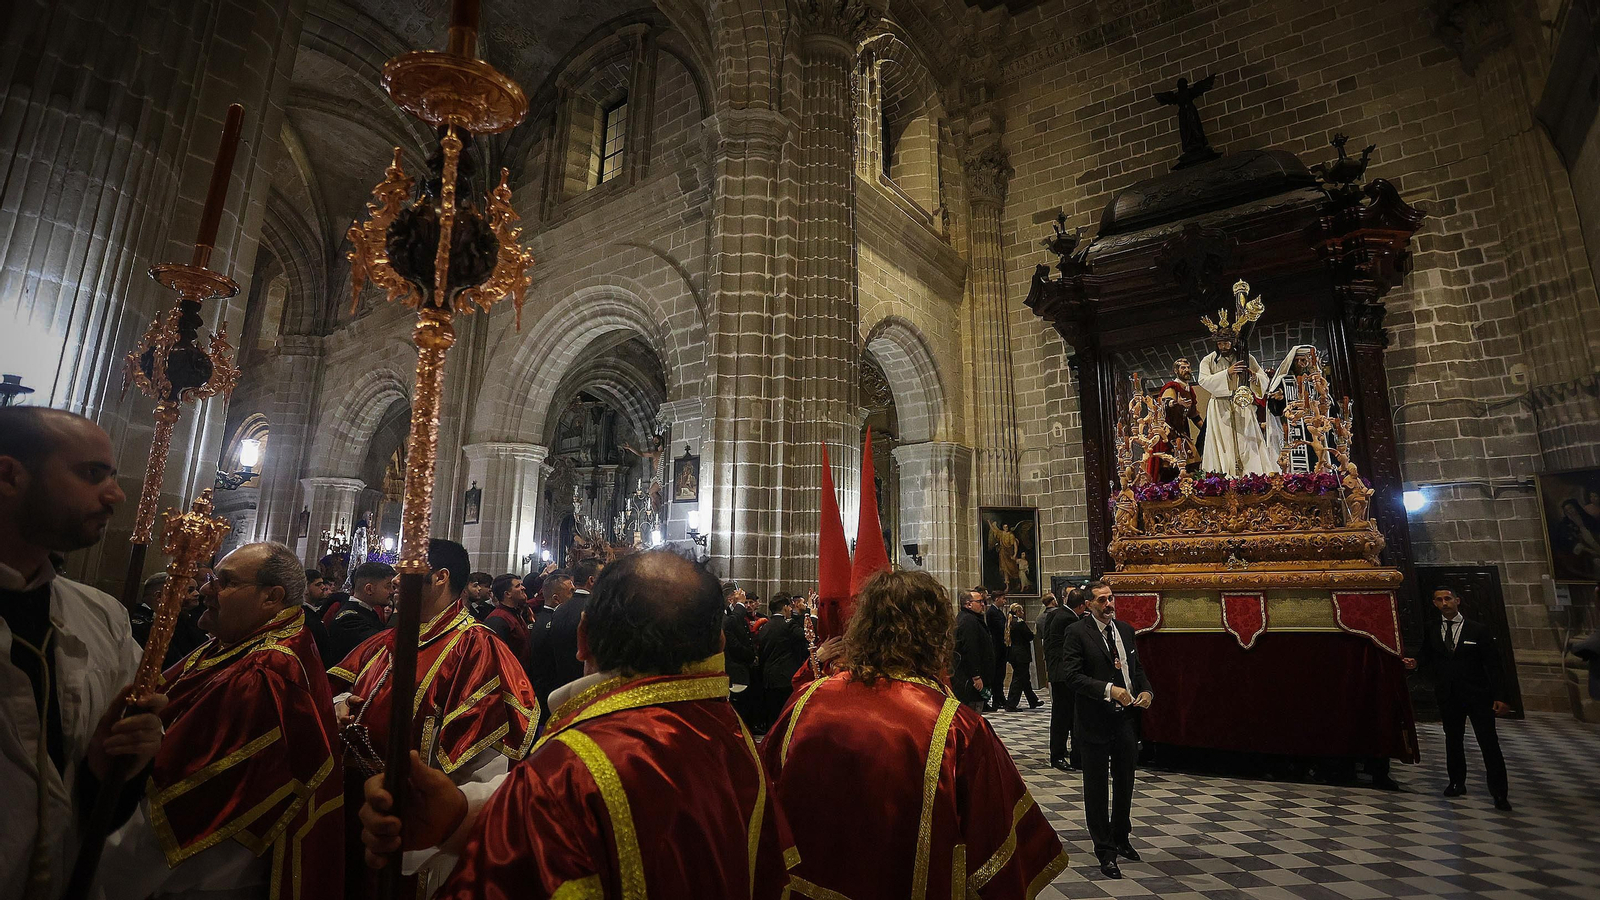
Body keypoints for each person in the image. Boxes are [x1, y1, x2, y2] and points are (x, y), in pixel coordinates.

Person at [359, 551, 797, 898]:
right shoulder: (732, 734)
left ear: (582, 637)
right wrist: (460, 816)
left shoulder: (567, 771)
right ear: (718, 643)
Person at [763, 570, 1067, 898]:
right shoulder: (956, 727)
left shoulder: (808, 701)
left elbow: (764, 804)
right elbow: (999, 852)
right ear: (936, 633)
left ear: (863, 626)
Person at [98, 543, 343, 900]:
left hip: (200, 876)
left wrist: (92, 860)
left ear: (271, 597)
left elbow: (179, 810)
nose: (205, 590)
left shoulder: (265, 674)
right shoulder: (236, 642)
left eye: (224, 581)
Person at [0, 407, 167, 899]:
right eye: (92, 475)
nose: (115, 495)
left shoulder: (104, 619)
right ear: (9, 475)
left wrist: (111, 767)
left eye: (114, 476)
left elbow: (96, 808)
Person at [329, 539, 538, 899]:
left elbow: (480, 765)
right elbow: (342, 687)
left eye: (405, 571)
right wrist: (342, 704)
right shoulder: (385, 641)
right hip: (356, 813)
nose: (394, 580)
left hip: (417, 825)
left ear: (440, 577)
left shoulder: (475, 645)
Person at [1061, 581, 1154, 879]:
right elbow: (1072, 676)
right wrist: (1108, 690)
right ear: (1088, 604)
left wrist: (1147, 691)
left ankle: (1121, 836)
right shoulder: (1077, 632)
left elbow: (1135, 669)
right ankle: (1104, 849)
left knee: (1126, 779)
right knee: (1097, 787)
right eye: (1102, 600)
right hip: (1094, 720)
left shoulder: (1124, 630)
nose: (1109, 604)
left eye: (1111, 598)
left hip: (1125, 720)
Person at [1403, 587, 1513, 810]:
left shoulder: (1477, 630)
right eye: (1439, 600)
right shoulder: (1433, 629)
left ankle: (1499, 791)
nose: (1445, 603)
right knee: (1453, 740)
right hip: (1449, 694)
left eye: (1448, 599)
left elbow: (1494, 665)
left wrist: (1501, 696)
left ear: (1457, 601)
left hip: (1478, 694)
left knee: (1488, 742)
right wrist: (1415, 663)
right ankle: (1456, 782)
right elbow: (1427, 655)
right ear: (1434, 603)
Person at [1196, 325, 1277, 477]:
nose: (1223, 346)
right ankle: (1224, 475)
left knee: (1246, 440)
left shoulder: (1245, 357)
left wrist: (1254, 378)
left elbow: (1262, 378)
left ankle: (1251, 474)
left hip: (1242, 403)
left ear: (1232, 342)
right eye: (1220, 343)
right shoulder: (1209, 360)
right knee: (1223, 441)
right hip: (1220, 405)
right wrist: (1227, 373)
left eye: (1226, 343)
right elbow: (1203, 380)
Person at [522, 568, 575, 732]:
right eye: (571, 591)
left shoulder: (547, 618)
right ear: (556, 598)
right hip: (548, 694)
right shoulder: (549, 623)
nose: (574, 595)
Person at [544, 556, 603, 693]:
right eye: (604, 576)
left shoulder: (559, 609)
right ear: (592, 580)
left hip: (563, 687)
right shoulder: (597, 609)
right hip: (589, 688)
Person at [129, 571, 209, 670]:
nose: (197, 594)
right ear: (160, 597)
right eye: (189, 590)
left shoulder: (182, 620)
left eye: (196, 589)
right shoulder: (140, 626)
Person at [1041, 587, 1084, 770]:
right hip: (1065, 673)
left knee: (1062, 715)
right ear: (1082, 606)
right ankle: (1059, 755)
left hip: (1057, 671)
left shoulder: (1055, 613)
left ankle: (1062, 753)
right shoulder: (1069, 619)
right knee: (1064, 717)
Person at [325, 560, 396, 663]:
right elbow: (382, 646)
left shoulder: (366, 611)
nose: (392, 591)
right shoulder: (349, 620)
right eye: (388, 586)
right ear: (369, 589)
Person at [1146, 357, 1204, 482]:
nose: (1187, 370)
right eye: (1183, 368)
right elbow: (1165, 402)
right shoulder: (1172, 387)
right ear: (1176, 371)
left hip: (1182, 431)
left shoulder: (1189, 390)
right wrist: (1176, 402)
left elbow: (1194, 415)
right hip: (1169, 432)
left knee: (1193, 460)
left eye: (1188, 367)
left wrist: (1207, 429)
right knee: (1170, 464)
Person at [758, 594, 810, 727]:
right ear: (785, 607)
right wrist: (812, 616)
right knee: (786, 718)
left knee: (773, 718)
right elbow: (807, 636)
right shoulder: (788, 625)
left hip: (769, 678)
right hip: (786, 677)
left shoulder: (765, 627)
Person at [722, 582, 762, 729]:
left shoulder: (732, 613)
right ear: (730, 599)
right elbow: (730, 629)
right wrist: (751, 656)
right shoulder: (723, 615)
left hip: (741, 669)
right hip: (733, 669)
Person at [953, 589, 995, 711]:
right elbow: (971, 649)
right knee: (973, 714)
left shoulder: (969, 618)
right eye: (980, 601)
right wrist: (976, 676)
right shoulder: (968, 621)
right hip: (970, 680)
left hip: (971, 677)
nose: (983, 604)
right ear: (968, 604)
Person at [482, 573, 532, 658]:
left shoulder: (515, 613)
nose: (523, 588)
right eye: (517, 586)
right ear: (508, 594)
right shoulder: (497, 620)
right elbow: (495, 656)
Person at [1004, 602, 1042, 711]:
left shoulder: (1010, 622)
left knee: (1025, 678)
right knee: (1018, 679)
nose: (1023, 613)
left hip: (1013, 653)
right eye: (1021, 611)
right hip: (1021, 654)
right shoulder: (1019, 623)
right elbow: (1029, 635)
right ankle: (1011, 704)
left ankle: (1033, 700)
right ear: (1017, 612)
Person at [983, 589, 1007, 711]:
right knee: (997, 675)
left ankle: (1000, 697)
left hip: (1001, 647)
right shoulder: (992, 612)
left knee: (1001, 674)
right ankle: (997, 699)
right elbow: (1000, 627)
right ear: (997, 599)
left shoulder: (998, 612)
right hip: (996, 646)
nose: (1004, 601)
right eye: (1003, 598)